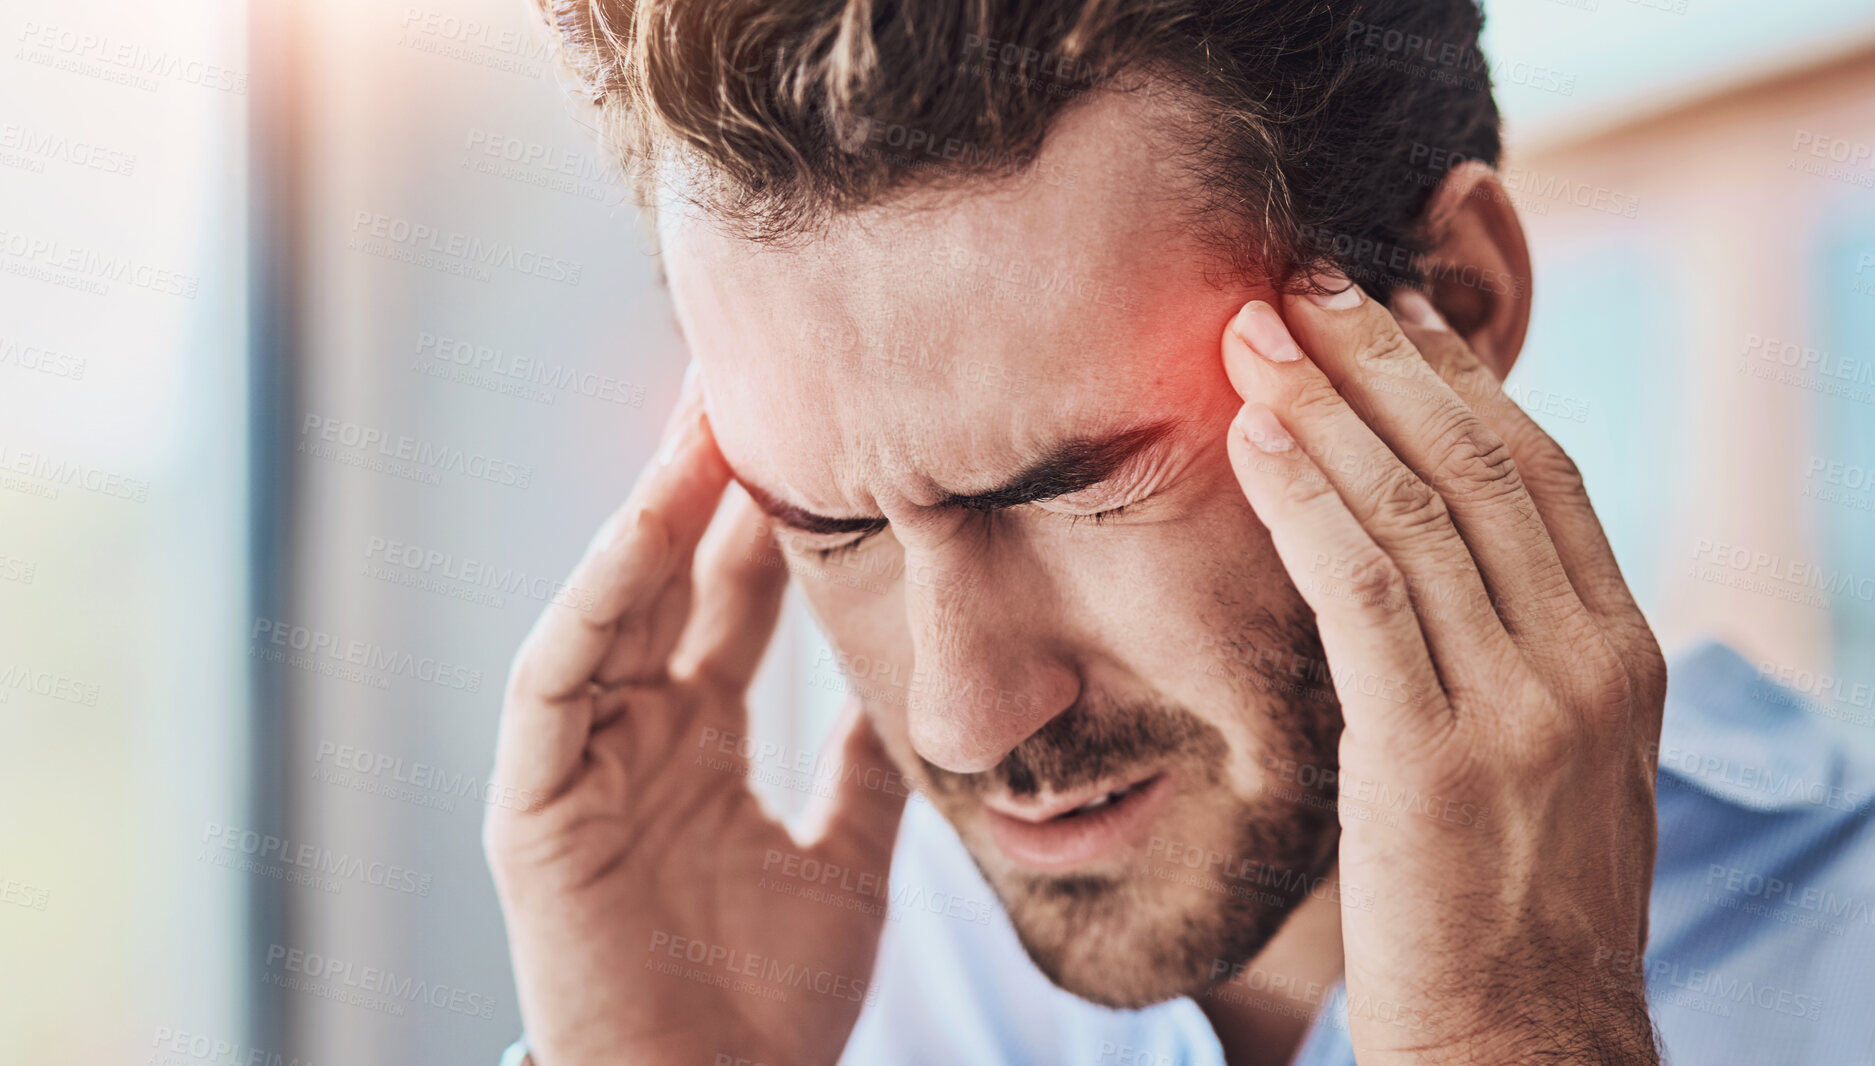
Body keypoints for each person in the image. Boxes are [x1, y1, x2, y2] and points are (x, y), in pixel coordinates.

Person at [483, 1, 1875, 1063]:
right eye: (831, 519)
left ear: (1454, 301)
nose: (966, 719)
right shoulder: (802, 999)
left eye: (1075, 485)